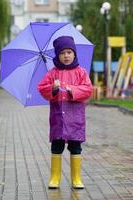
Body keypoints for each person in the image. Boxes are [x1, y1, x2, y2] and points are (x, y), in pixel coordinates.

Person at [37, 36, 93, 189]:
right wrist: (53, 88)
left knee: (75, 147)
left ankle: (76, 178)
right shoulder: (52, 73)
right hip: (58, 118)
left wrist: (72, 90)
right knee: (57, 146)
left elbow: (88, 89)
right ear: (57, 55)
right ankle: (55, 177)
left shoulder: (81, 72)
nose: (66, 56)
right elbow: (42, 88)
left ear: (74, 54)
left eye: (69, 52)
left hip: (75, 118)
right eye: (62, 53)